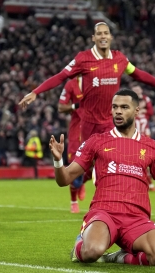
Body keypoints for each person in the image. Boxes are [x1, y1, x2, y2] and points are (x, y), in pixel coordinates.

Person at [49, 89, 155, 266]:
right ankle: (79, 245)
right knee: (92, 251)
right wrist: (58, 161)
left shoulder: (151, 146)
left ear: (136, 111)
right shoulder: (97, 141)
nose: (118, 111)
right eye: (114, 107)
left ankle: (119, 257)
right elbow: (64, 179)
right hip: (105, 212)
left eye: (124, 107)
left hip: (137, 218)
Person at [18, 22, 155, 145]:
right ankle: (79, 181)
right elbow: (61, 76)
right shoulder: (83, 59)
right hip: (89, 122)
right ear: (94, 38)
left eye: (106, 33)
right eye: (99, 33)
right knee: (85, 167)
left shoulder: (120, 58)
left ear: (110, 37)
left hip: (110, 121)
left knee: (109, 162)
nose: (103, 36)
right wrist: (36, 92)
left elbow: (139, 74)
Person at [58, 77, 86, 213]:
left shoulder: (97, 80)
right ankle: (73, 201)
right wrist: (75, 105)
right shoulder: (71, 84)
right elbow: (61, 107)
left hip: (93, 128)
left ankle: (82, 183)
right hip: (76, 131)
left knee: (97, 164)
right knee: (73, 166)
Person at [132, 84, 155, 191]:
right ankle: (147, 183)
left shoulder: (146, 99)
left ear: (141, 89)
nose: (137, 91)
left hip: (145, 134)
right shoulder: (130, 99)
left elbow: (151, 112)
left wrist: (141, 111)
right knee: (139, 158)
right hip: (134, 134)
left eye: (138, 89)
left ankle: (148, 182)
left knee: (147, 157)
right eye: (135, 90)